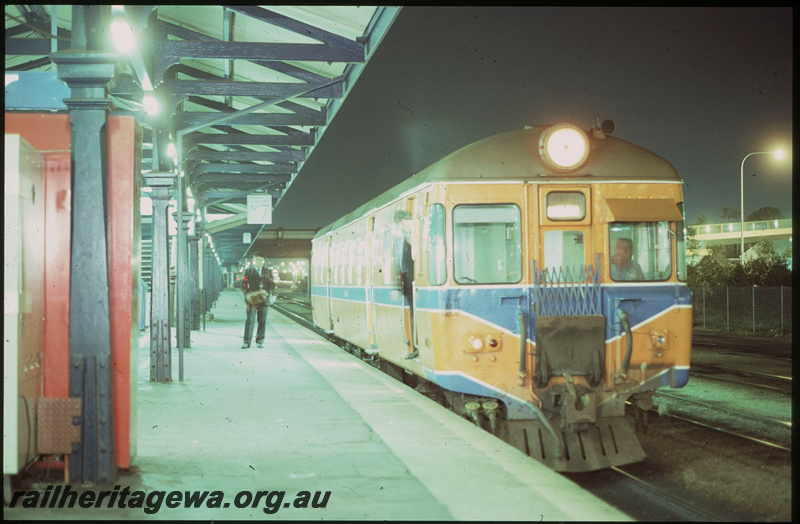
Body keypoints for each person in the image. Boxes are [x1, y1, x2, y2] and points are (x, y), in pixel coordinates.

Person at [394, 211, 418, 359]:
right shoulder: (402, 238)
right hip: (407, 281)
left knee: (416, 314)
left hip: (415, 281)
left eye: (403, 223)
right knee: (411, 315)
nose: (402, 226)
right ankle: (414, 346)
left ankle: (417, 346)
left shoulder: (414, 236)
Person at [241, 252, 275, 348]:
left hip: (264, 300)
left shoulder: (268, 272)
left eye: (261, 259)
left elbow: (272, 285)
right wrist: (247, 294)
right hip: (252, 300)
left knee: (262, 321)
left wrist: (266, 291)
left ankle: (260, 341)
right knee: (249, 320)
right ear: (253, 261)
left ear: (264, 262)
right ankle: (246, 342)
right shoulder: (248, 271)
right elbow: (243, 284)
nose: (259, 261)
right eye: (257, 259)